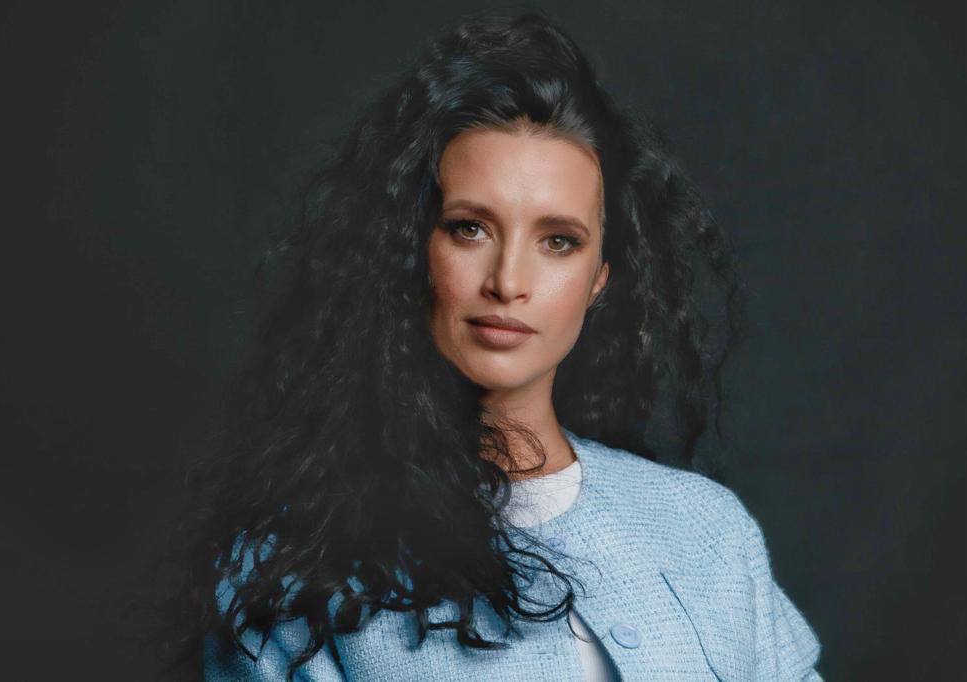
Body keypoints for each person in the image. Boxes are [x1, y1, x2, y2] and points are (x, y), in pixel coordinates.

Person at [167, 9, 822, 681]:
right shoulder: (293, 569)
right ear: (409, 250)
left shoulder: (707, 530)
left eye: (558, 241)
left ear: (599, 278)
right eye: (469, 229)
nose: (508, 282)